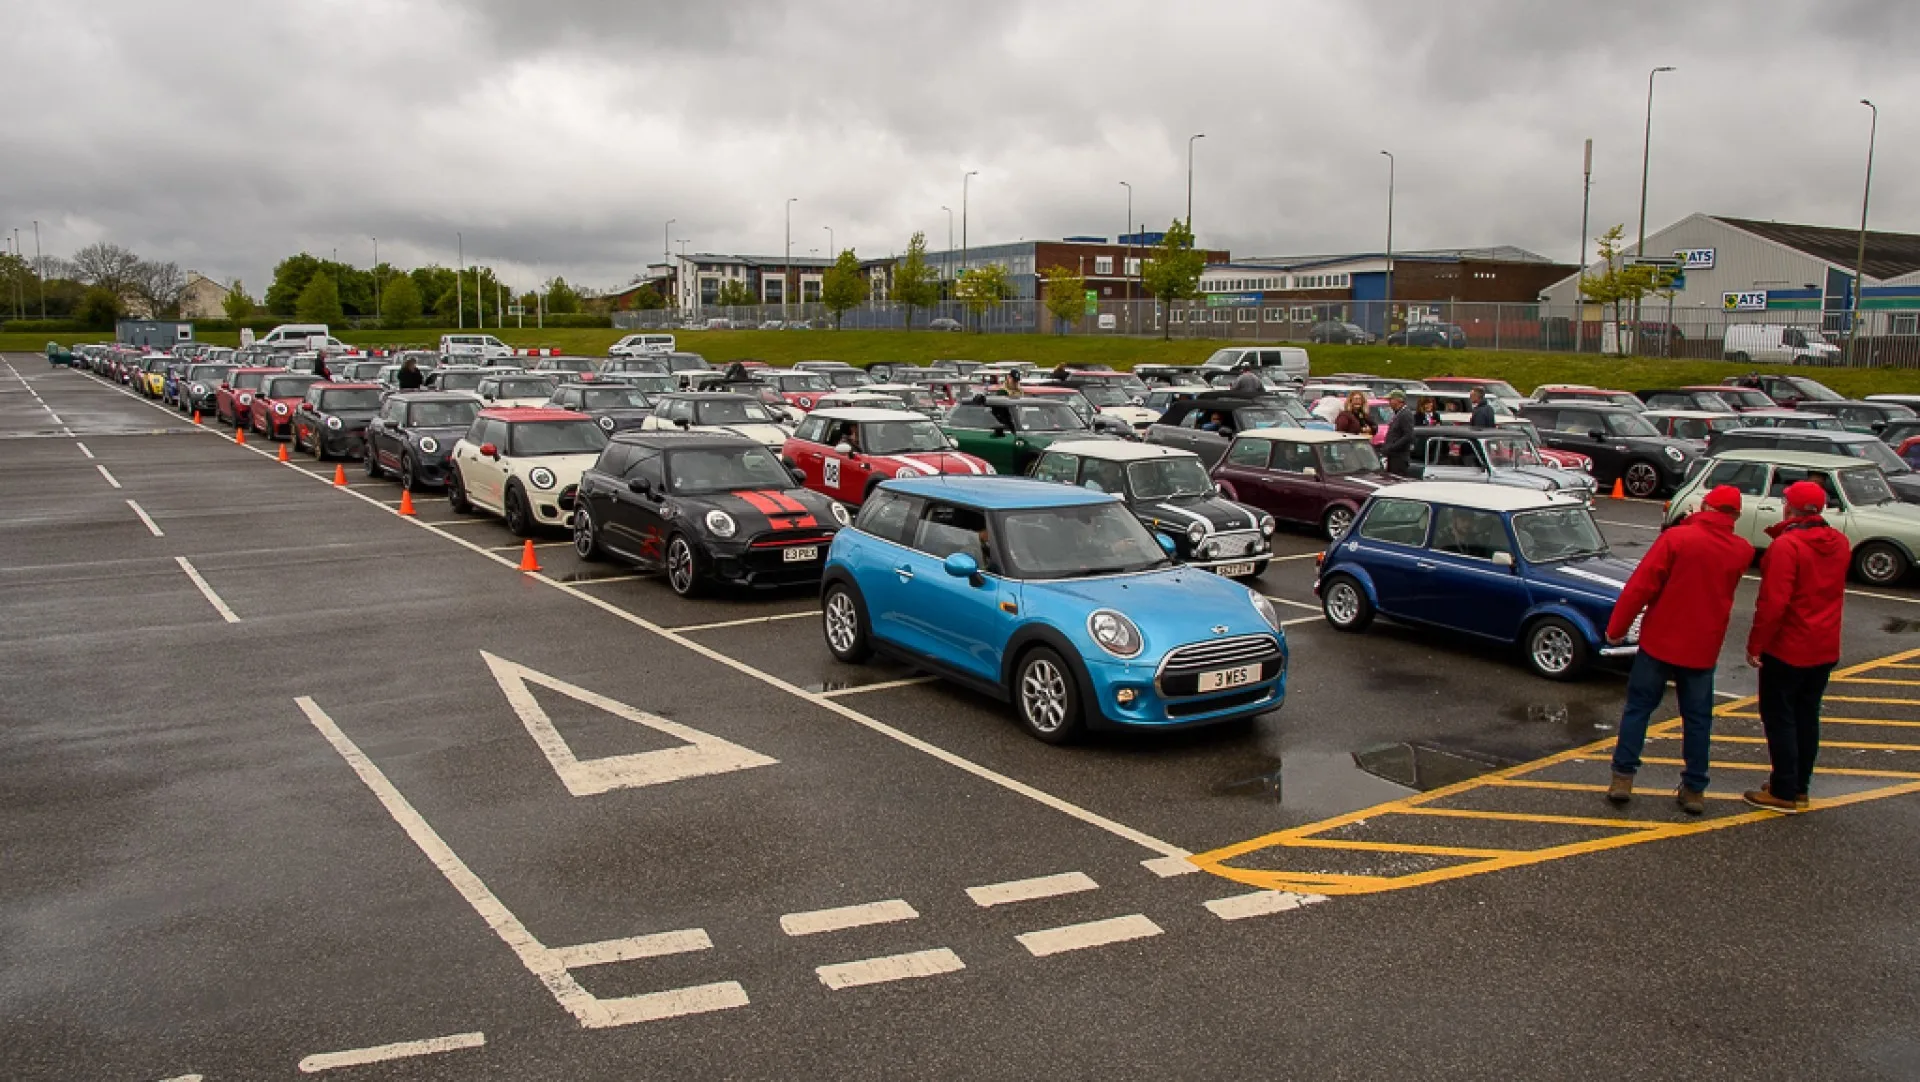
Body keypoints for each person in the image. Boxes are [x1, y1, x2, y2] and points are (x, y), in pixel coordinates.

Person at [1604, 485, 1755, 814]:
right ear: (1736, 515)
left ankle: (1623, 777)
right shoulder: (1741, 550)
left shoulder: (1676, 539)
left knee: (1639, 709)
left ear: (1704, 506)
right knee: (1698, 719)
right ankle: (1694, 788)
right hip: (1702, 646)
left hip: (1660, 639)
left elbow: (1640, 586)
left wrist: (1616, 629)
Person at [1744, 480, 1850, 813]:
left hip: (1789, 646)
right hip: (1824, 645)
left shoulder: (1787, 547)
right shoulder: (1840, 543)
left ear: (1791, 508)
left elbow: (1773, 603)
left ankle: (1783, 789)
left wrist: (1756, 644)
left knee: (1779, 717)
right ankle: (1798, 784)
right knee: (1807, 716)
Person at [1381, 389, 1416, 476]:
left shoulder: (1405, 414)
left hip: (1399, 458)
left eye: (1391, 400)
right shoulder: (1399, 414)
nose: (1389, 403)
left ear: (1399, 400)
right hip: (1393, 457)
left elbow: (1408, 435)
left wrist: (1392, 447)